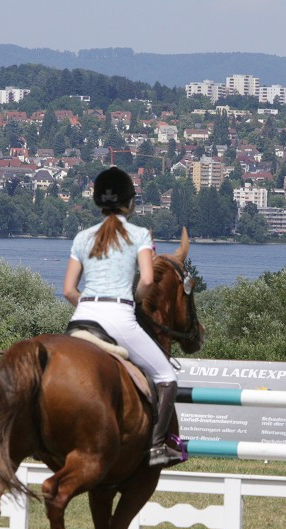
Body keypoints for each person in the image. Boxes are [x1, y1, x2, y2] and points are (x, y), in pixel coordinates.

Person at [63, 166, 183, 467]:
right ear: (130, 203)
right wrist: (133, 302)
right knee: (167, 377)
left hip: (82, 317)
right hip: (119, 315)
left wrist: (88, 304)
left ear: (97, 203)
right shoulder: (139, 235)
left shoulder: (82, 237)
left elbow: (68, 290)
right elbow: (145, 281)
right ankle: (156, 447)